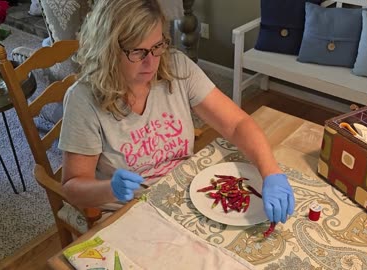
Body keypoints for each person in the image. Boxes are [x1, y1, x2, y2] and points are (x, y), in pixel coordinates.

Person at [58, 0, 295, 224]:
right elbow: (72, 188)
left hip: (183, 193)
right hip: (130, 212)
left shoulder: (176, 66)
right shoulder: (84, 99)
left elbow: (235, 124)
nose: (152, 63)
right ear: (108, 49)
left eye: (157, 46)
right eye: (138, 52)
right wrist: (109, 188)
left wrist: (271, 172)